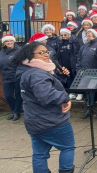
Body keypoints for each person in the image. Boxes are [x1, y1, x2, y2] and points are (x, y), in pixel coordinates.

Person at [13, 41, 74, 173]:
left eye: (47, 52)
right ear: (30, 56)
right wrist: (65, 98)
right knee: (67, 147)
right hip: (52, 121)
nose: (46, 54)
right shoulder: (37, 74)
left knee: (40, 154)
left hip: (34, 121)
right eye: (41, 53)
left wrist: (61, 77)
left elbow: (46, 88)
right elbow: (46, 95)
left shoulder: (30, 71)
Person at [76, 29, 97, 119]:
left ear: (95, 35)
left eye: (90, 35)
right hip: (86, 72)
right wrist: (78, 69)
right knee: (89, 91)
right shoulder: (84, 46)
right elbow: (79, 59)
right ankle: (89, 108)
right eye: (87, 35)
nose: (88, 37)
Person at [0, 34, 22, 121]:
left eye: (10, 41)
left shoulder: (19, 51)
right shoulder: (2, 52)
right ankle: (15, 110)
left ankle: (16, 112)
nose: (9, 42)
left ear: (13, 41)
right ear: (4, 43)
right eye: (7, 41)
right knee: (8, 95)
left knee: (18, 95)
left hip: (17, 76)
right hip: (6, 76)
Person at [57, 27, 80, 99]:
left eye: (65, 35)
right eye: (62, 35)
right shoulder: (60, 43)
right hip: (64, 65)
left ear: (68, 34)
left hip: (73, 64)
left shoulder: (73, 42)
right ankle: (72, 92)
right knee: (69, 79)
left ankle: (79, 92)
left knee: (76, 78)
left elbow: (77, 53)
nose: (63, 36)